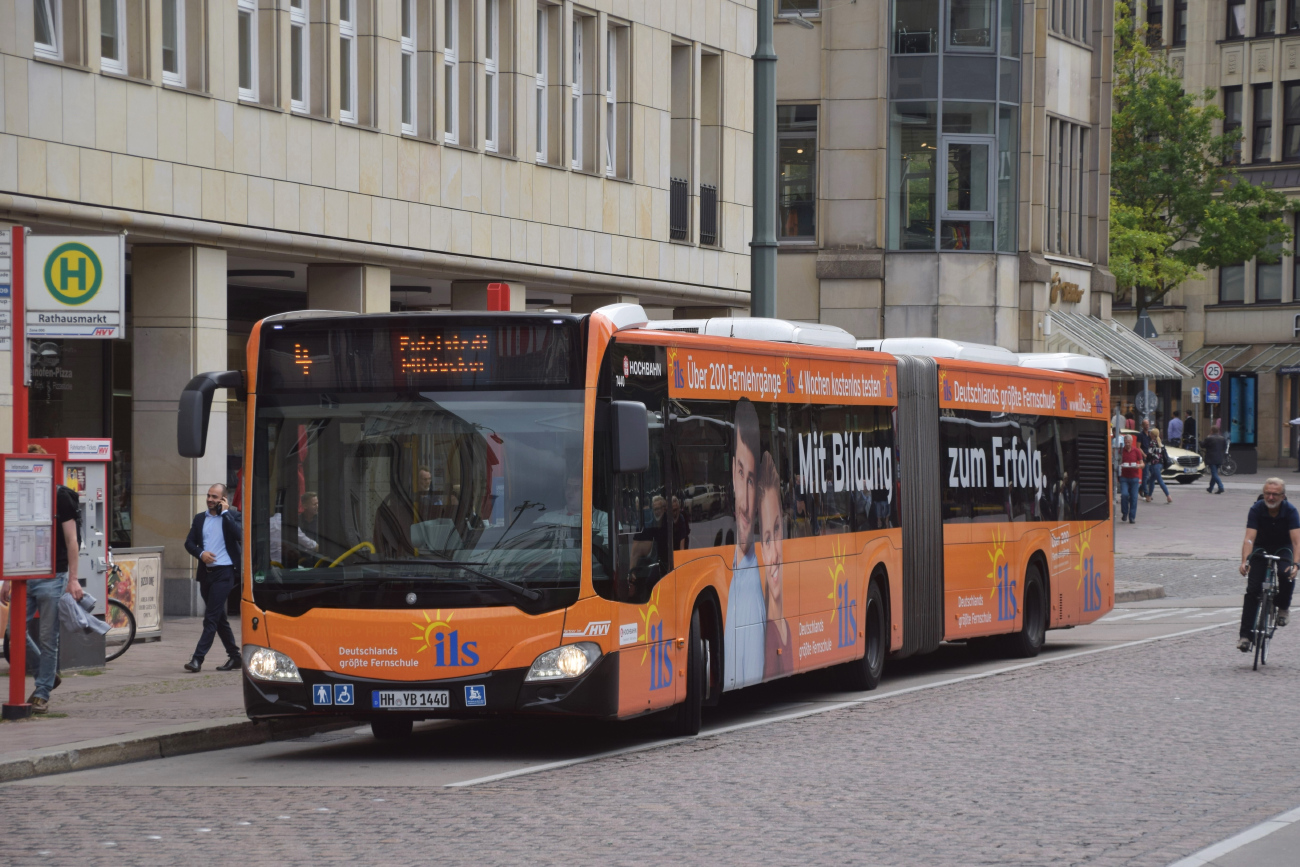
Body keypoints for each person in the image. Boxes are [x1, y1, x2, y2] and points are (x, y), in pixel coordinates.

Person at [0, 477, 82, 714]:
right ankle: (46, 675)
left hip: (53, 574)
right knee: (12, 632)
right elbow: (14, 535)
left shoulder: (60, 498)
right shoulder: (20, 498)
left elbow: (72, 540)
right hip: (24, 574)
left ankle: (42, 691)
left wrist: (73, 579)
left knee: (48, 636)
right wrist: (8, 578)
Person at [724, 398, 766, 690]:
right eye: (741, 472)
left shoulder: (754, 587)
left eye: (752, 480)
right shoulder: (731, 567)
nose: (746, 504)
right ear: (731, 474)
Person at [182, 484, 243, 673]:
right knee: (218, 618)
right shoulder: (200, 518)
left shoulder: (232, 516)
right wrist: (201, 554)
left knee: (210, 617)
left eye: (215, 497)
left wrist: (225, 513)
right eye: (208, 496)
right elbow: (189, 543)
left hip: (225, 573)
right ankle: (235, 656)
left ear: (224, 499)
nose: (210, 500)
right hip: (206, 574)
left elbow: (240, 535)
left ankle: (197, 659)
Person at [1236, 478, 1300, 652]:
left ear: (1283, 496)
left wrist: (1296, 564)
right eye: (1267, 494)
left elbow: (1296, 541)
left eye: (1275, 494)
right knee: (1253, 590)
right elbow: (1249, 537)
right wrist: (1245, 561)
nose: (1270, 497)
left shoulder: (1291, 511)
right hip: (1261, 548)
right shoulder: (1256, 509)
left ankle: (1283, 607)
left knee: (1286, 573)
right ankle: (1245, 637)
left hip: (1283, 547)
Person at [758, 453, 791, 679]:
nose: (775, 555)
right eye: (767, 540)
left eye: (777, 528)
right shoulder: (766, 639)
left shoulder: (787, 627)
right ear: (760, 548)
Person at [1142, 431, 1172, 504]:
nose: (1150, 434)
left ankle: (1168, 496)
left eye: (1151, 433)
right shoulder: (1160, 443)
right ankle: (1149, 496)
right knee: (1152, 480)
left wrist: (1145, 461)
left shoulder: (1152, 443)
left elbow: (1149, 455)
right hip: (1160, 464)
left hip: (1154, 464)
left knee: (1159, 480)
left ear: (1153, 435)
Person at [1119, 435, 1144, 524]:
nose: (1127, 444)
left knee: (1134, 497)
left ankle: (1132, 517)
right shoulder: (1121, 451)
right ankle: (1125, 512)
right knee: (1124, 495)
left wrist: (1139, 466)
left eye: (1129, 442)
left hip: (1134, 478)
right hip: (1124, 477)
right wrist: (1119, 466)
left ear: (1131, 442)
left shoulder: (1136, 451)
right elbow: (1117, 461)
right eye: (1126, 442)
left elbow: (1142, 464)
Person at [1204, 422, 1228, 495]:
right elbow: (1225, 447)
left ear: (1212, 431)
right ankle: (1210, 488)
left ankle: (1221, 487)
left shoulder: (1209, 438)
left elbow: (1203, 445)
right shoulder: (1223, 438)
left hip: (1211, 458)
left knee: (1214, 473)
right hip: (1219, 458)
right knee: (1214, 473)